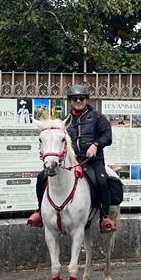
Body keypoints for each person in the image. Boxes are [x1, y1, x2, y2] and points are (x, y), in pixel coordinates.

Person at [27, 84, 116, 233]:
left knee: (101, 180)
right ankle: (39, 212)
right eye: (75, 98)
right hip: (70, 162)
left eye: (82, 98)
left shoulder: (97, 117)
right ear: (70, 101)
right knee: (42, 176)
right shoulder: (64, 121)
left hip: (92, 161)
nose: (78, 101)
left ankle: (104, 217)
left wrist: (96, 144)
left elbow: (107, 137)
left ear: (87, 100)